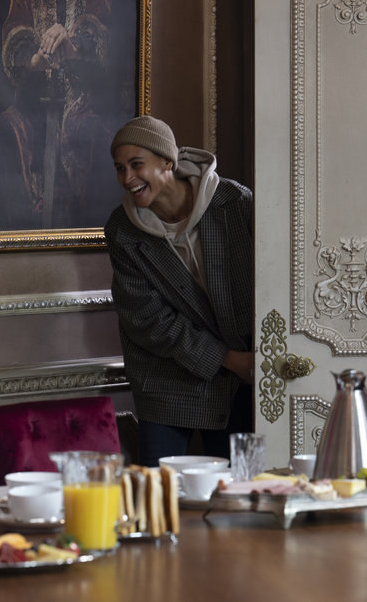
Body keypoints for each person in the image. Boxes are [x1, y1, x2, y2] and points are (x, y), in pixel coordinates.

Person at [104, 116, 255, 467]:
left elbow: (274, 279)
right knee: (158, 492)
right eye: (120, 168)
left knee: (237, 489)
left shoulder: (235, 203)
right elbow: (146, 319)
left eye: (136, 164)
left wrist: (247, 360)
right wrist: (227, 359)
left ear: (167, 162)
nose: (127, 178)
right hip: (166, 375)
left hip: (246, 374)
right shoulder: (122, 230)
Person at [0, 0, 119, 229]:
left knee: (93, 130)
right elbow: (14, 30)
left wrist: (74, 48)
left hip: (84, 95)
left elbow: (106, 31)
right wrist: (34, 60)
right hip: (34, 96)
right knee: (8, 127)